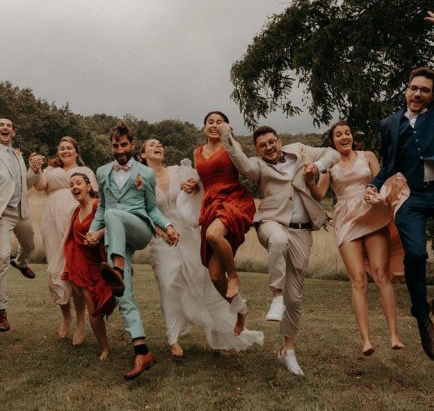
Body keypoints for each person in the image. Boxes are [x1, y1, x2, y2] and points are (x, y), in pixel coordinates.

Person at [365, 5, 434, 361]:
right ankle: (421, 319)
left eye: (424, 90)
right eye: (413, 88)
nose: (417, 94)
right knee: (415, 254)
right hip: (411, 197)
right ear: (406, 90)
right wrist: (374, 184)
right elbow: (389, 164)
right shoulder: (390, 124)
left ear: (433, 93)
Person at [219, 122, 339, 376]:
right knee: (278, 241)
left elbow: (333, 153)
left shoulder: (300, 151)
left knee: (295, 298)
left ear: (279, 141)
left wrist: (315, 167)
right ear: (257, 149)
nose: (268, 147)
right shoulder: (258, 166)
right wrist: (226, 136)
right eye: (262, 146)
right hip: (270, 223)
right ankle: (275, 295)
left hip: (302, 230)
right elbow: (241, 163)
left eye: (271, 142)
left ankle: (288, 351)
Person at [140, 138, 263, 357]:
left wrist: (193, 187)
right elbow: (142, 210)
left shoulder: (178, 171)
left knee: (205, 281)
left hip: (188, 233)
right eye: (152, 145)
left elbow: (205, 185)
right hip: (161, 238)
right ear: (142, 154)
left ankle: (234, 316)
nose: (158, 146)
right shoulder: (140, 178)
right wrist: (161, 232)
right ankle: (173, 339)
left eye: (160, 144)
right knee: (168, 284)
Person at [86, 122, 179, 380]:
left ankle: (115, 268)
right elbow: (103, 209)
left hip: (138, 228)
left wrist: (168, 226)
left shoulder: (144, 174)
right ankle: (142, 351)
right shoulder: (103, 172)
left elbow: (152, 209)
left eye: (124, 145)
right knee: (122, 294)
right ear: (111, 146)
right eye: (115, 146)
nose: (120, 150)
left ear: (132, 145)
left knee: (117, 215)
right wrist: (94, 231)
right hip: (115, 237)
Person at [311, 121, 406, 357]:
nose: (344, 137)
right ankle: (365, 340)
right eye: (338, 135)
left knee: (380, 273)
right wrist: (308, 177)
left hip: (371, 214)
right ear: (331, 141)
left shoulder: (368, 155)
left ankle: (394, 334)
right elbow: (320, 194)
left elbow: (382, 179)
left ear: (352, 136)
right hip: (346, 219)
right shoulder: (329, 164)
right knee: (357, 279)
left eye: (347, 133)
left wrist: (376, 191)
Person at [183, 111, 256, 334]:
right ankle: (240, 310)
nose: (214, 125)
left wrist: (230, 138)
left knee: (213, 235)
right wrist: (192, 184)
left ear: (227, 126)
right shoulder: (197, 152)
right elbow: (202, 178)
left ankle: (234, 276)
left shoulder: (232, 145)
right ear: (204, 127)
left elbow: (244, 167)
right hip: (211, 204)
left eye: (219, 122)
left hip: (233, 199)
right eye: (210, 122)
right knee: (215, 275)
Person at [31, 137, 96, 344]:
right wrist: (37, 168)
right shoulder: (51, 170)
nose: (65, 151)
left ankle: (79, 322)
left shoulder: (86, 172)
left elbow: (94, 195)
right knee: (56, 270)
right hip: (52, 219)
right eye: (61, 148)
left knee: (74, 270)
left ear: (77, 151)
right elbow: (40, 186)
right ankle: (65, 316)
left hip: (75, 219)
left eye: (69, 148)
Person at [0, 116, 39, 334]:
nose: (5, 128)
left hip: (21, 212)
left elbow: (25, 185)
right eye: (1, 125)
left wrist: (34, 170)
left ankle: (22, 262)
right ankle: (1, 310)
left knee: (30, 245)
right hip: (2, 214)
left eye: (9, 126)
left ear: (13, 133)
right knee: (2, 256)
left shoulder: (18, 155)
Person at [62, 172, 114, 361]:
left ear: (89, 186)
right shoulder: (75, 211)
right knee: (92, 309)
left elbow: (114, 224)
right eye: (71, 184)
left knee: (109, 299)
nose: (74, 187)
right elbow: (73, 240)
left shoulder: (98, 205)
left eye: (78, 183)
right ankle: (105, 347)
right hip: (83, 265)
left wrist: (98, 235)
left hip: (102, 263)